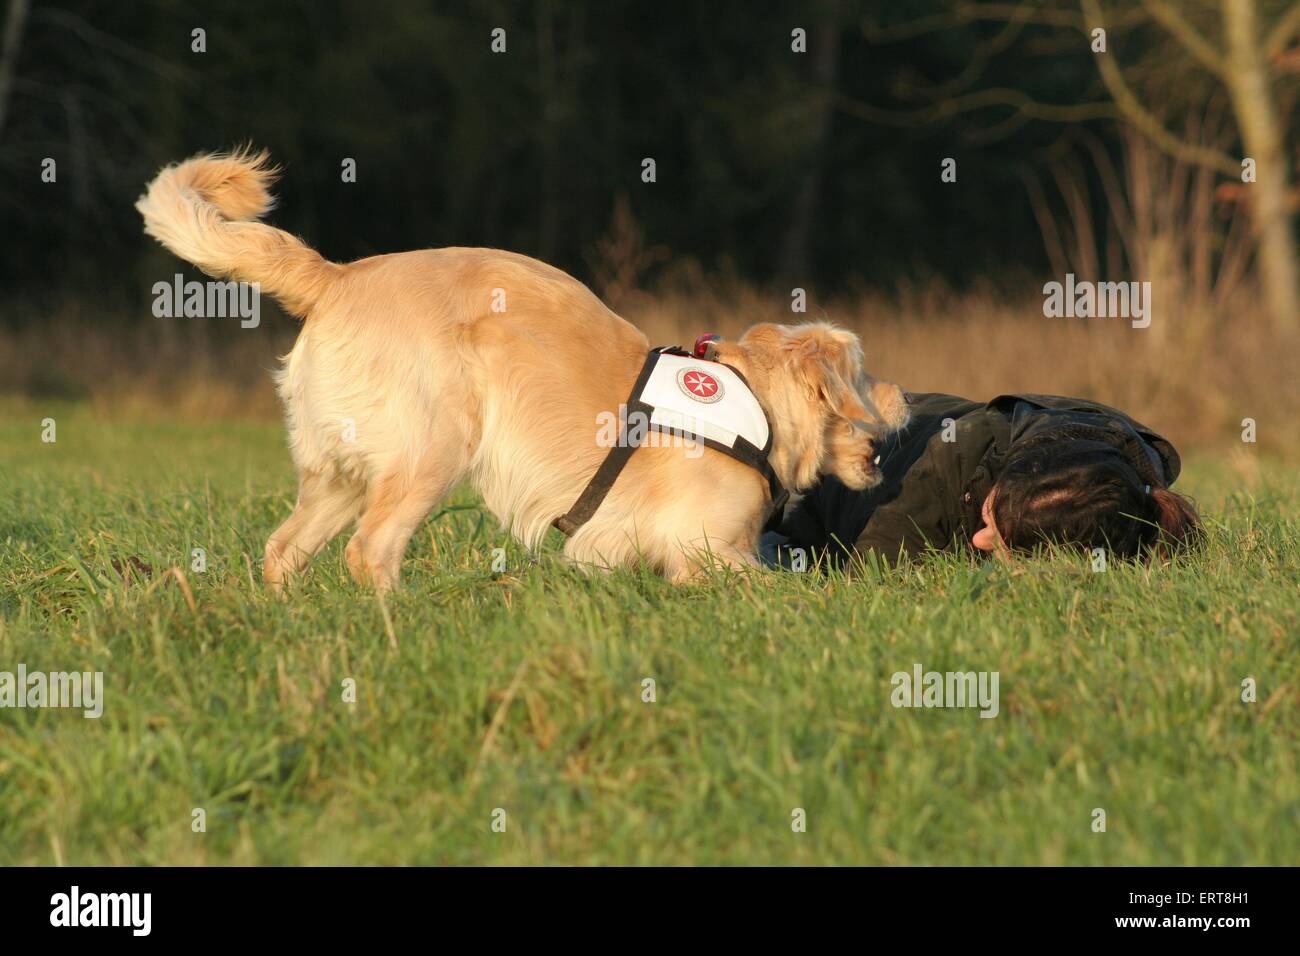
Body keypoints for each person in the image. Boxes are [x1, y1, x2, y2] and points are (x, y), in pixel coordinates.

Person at [767, 392, 1202, 566]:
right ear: (999, 476)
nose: (980, 540)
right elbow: (865, 585)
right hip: (806, 464)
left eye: (1001, 538)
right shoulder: (933, 481)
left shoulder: (1126, 481)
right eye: (992, 520)